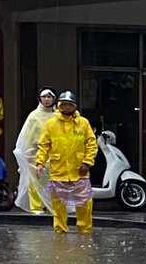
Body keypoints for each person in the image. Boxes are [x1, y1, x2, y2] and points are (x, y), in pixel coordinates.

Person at [34, 90, 100, 234]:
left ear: (75, 106)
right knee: (58, 205)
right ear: (59, 106)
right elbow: (44, 145)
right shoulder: (51, 124)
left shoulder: (83, 123)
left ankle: (85, 230)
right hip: (59, 171)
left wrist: (87, 162)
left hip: (79, 171)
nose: (66, 107)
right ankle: (60, 230)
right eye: (63, 104)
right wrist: (40, 163)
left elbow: (91, 144)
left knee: (84, 204)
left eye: (69, 105)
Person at [14, 88, 57, 212]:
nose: (47, 100)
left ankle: (51, 207)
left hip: (54, 155)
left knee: (52, 182)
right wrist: (28, 153)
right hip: (35, 154)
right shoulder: (33, 116)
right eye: (44, 97)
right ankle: (36, 207)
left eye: (49, 97)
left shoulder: (58, 116)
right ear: (40, 99)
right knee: (35, 181)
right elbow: (27, 137)